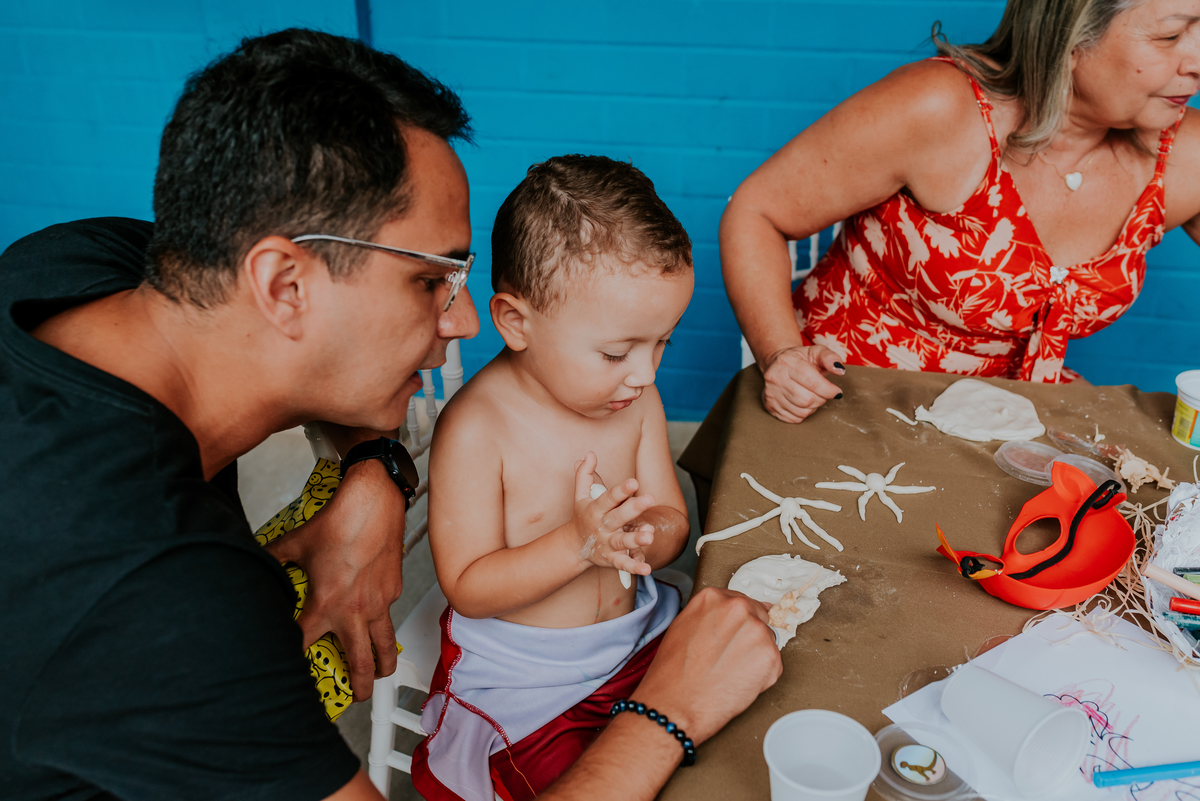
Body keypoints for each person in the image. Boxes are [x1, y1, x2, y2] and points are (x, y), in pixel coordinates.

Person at [1, 29, 782, 801]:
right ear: (285, 284)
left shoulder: (88, 267)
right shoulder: (156, 600)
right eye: (429, 281)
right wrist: (664, 713)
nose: (465, 321)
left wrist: (375, 470)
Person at [718, 0, 1200, 426]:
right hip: (843, 395)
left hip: (1004, 416)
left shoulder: (1183, 152)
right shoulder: (938, 107)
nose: (1196, 60)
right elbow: (757, 211)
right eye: (1171, 36)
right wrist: (783, 357)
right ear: (1070, 40)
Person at [412, 155, 695, 800]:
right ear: (517, 323)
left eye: (663, 345)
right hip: (528, 681)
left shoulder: (634, 399)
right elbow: (470, 587)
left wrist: (644, 541)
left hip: (637, 635)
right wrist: (580, 545)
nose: (646, 374)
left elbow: (672, 522)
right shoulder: (478, 427)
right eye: (618, 352)